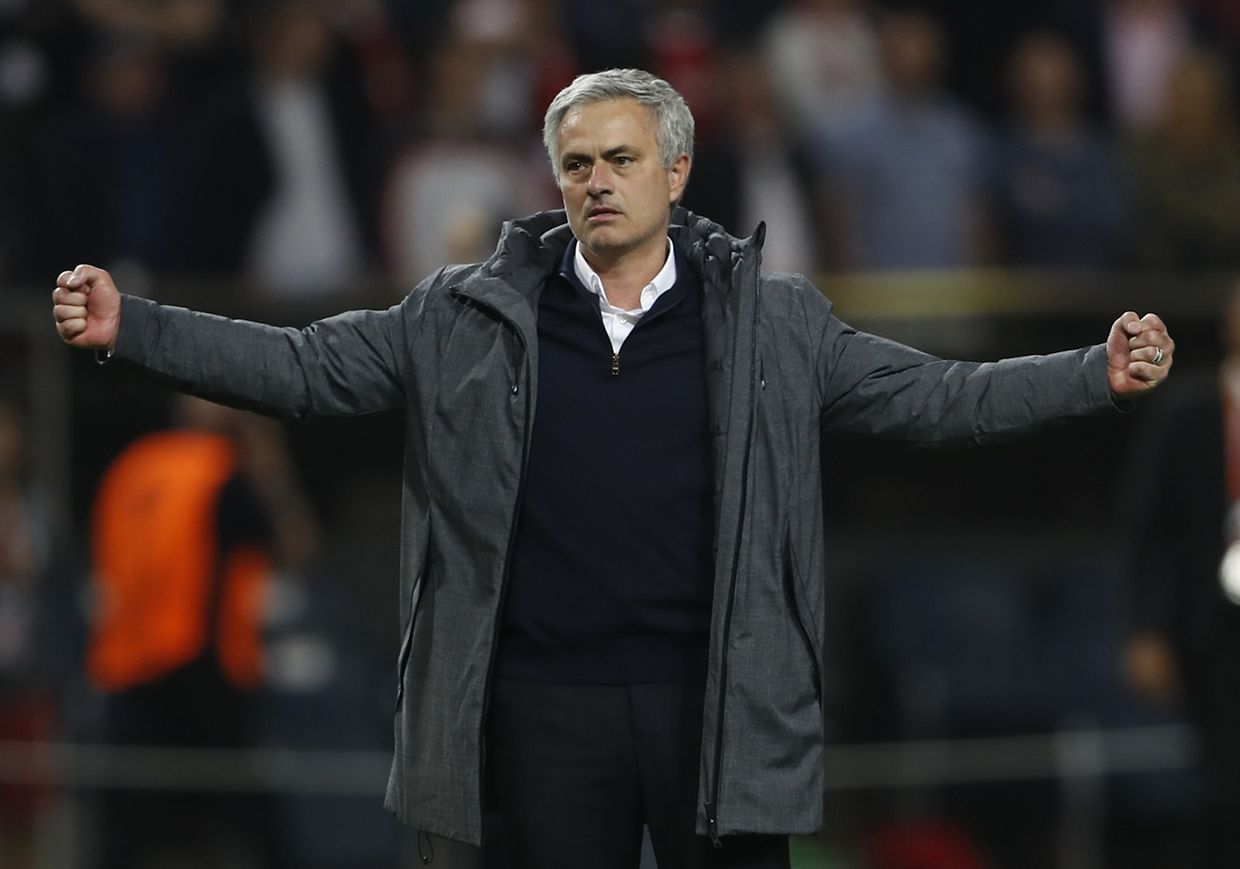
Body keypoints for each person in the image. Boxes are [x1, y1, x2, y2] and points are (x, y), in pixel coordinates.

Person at [51, 68, 1174, 869]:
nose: (596, 181)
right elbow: (300, 367)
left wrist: (1095, 374)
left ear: (676, 170)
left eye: (621, 159)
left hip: (715, 700)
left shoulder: (774, 322)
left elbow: (943, 398)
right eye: (577, 163)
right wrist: (129, 326)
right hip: (539, 705)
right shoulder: (465, 314)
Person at [1121, 285, 1240, 868]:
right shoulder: (1187, 410)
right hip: (1207, 623)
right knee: (1221, 780)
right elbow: (1145, 527)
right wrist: (1147, 630)